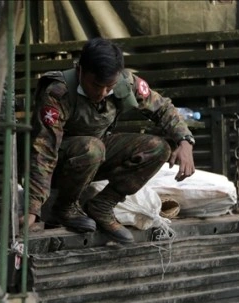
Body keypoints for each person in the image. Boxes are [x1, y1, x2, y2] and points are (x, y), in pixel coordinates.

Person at [21, 37, 197, 243]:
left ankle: (102, 205)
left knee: (159, 148)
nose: (103, 93)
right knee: (92, 148)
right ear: (80, 71)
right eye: (96, 85)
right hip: (61, 164)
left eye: (109, 86)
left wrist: (185, 140)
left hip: (94, 157)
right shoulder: (58, 92)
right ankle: (65, 207)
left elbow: (162, 107)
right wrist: (32, 207)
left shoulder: (125, 82)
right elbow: (43, 151)